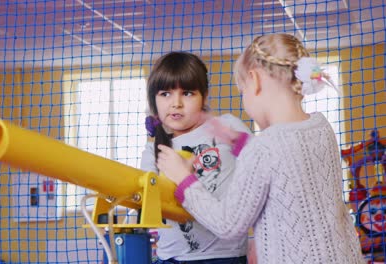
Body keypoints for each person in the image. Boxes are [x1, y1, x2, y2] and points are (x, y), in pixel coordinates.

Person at [156, 34, 365, 263]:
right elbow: (288, 168)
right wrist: (240, 143)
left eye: (242, 90)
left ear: (254, 81)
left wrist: (184, 179)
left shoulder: (264, 149)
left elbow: (228, 225)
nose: (245, 99)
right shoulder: (321, 128)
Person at [141, 51, 252, 264]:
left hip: (225, 256)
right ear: (154, 99)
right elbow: (148, 201)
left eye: (188, 93)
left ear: (204, 96)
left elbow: (259, 165)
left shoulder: (226, 126)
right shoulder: (155, 149)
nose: (176, 103)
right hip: (172, 257)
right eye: (165, 94)